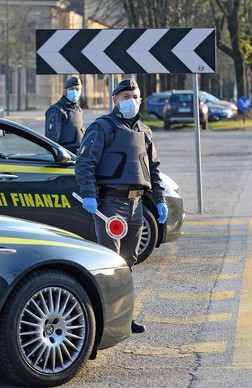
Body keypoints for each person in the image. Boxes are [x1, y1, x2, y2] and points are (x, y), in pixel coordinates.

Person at [74, 78, 168, 334]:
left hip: (136, 205)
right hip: (110, 204)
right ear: (115, 100)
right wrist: (89, 194)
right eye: (125, 96)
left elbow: (154, 170)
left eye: (135, 96)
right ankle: (104, 322)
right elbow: (84, 164)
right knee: (109, 264)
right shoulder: (103, 127)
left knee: (127, 263)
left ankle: (124, 318)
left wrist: (159, 200)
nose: (131, 101)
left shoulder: (144, 131)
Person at [44, 76, 85, 154]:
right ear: (65, 91)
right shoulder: (56, 110)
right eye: (72, 89)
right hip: (65, 159)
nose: (75, 92)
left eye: (77, 89)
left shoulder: (78, 110)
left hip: (78, 158)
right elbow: (52, 142)